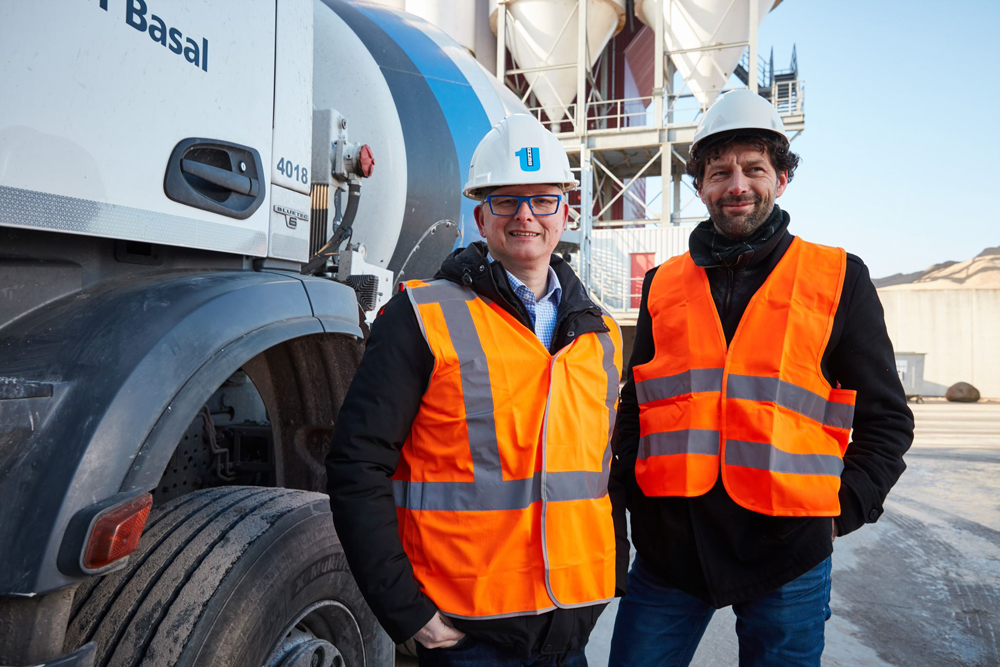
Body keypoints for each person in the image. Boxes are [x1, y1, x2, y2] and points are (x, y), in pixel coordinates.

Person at [608, 89, 914, 666]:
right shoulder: (662, 285)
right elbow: (637, 407)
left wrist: (842, 510)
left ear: (782, 178)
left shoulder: (838, 278)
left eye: (754, 169)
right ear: (699, 186)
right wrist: (632, 506)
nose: (737, 185)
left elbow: (887, 420)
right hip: (672, 546)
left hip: (787, 551)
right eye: (719, 172)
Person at [327, 113, 628, 667]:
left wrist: (611, 569)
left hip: (568, 630)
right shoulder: (421, 317)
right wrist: (408, 613)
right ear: (480, 217)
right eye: (505, 201)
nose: (525, 217)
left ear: (566, 210)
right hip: (466, 635)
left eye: (541, 200)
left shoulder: (602, 334)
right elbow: (355, 467)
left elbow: (606, 468)